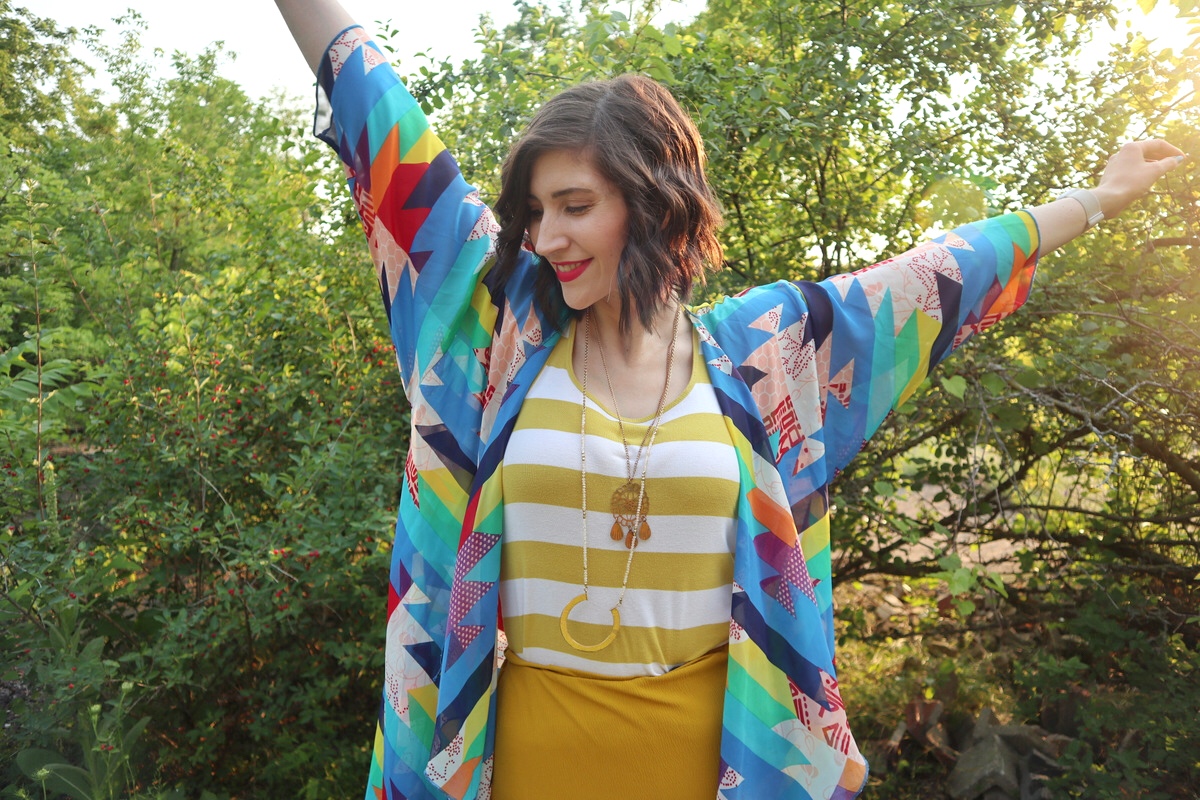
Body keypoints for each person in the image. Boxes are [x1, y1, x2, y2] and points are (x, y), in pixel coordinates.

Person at [272, 2, 1184, 798]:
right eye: (537, 211)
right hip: (528, 758)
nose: (547, 235)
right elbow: (379, 114)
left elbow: (936, 276)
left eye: (575, 205)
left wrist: (1095, 199)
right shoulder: (495, 331)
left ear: (653, 200)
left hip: (723, 762)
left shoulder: (765, 355)